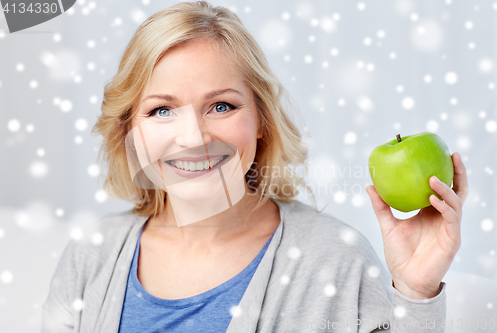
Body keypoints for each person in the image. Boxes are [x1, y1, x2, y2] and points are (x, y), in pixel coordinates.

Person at [40, 1, 469, 332]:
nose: (193, 137)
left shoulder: (334, 260)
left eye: (221, 105)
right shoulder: (91, 254)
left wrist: (415, 292)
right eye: (161, 111)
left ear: (261, 119)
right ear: (130, 130)